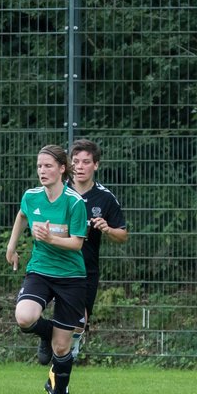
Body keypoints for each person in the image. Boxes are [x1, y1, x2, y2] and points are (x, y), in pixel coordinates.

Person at [5, 144, 88, 394]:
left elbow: (77, 244)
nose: (42, 170)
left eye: (48, 165)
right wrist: (11, 245)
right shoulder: (31, 196)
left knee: (62, 348)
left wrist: (51, 238)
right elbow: (21, 215)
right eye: (40, 166)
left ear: (62, 169)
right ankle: (46, 332)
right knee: (24, 317)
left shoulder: (74, 202)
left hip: (71, 276)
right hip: (40, 270)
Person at [62, 138, 128, 359]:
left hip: (85, 269)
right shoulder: (58, 192)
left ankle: (66, 360)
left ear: (96, 165)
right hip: (56, 264)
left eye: (86, 162)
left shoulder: (105, 198)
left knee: (79, 320)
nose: (80, 167)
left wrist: (107, 229)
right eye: (76, 161)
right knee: (41, 314)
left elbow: (123, 234)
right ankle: (51, 347)